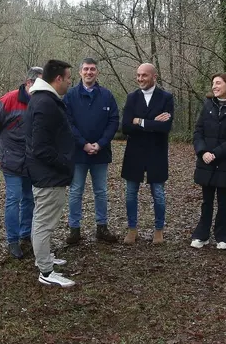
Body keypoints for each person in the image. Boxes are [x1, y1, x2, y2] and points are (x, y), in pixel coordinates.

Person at [25, 59, 76, 287]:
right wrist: (65, 163)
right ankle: (45, 271)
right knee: (44, 222)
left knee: (42, 219)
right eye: (68, 78)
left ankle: (44, 258)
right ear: (58, 79)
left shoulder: (44, 99)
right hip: (49, 175)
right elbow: (41, 147)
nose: (69, 82)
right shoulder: (45, 103)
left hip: (48, 173)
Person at [0, 67, 43, 259]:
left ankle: (25, 233)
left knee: (30, 198)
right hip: (11, 159)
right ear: (29, 83)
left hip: (32, 159)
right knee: (14, 198)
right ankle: (12, 240)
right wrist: (6, 147)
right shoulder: (8, 101)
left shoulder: (41, 101)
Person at [63, 58, 120, 245]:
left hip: (100, 153)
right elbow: (68, 123)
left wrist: (100, 143)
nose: (89, 72)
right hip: (78, 153)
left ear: (97, 72)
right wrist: (83, 144)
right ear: (80, 72)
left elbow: (113, 121)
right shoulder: (70, 96)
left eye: (92, 69)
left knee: (101, 191)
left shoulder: (106, 95)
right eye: (86, 69)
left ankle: (102, 227)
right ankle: (74, 230)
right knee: (75, 191)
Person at [191, 73, 226, 250]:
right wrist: (203, 151)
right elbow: (198, 131)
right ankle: (202, 235)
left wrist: (215, 154)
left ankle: (222, 237)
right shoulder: (208, 105)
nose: (214, 86)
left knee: (223, 201)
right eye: (213, 83)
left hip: (225, 163)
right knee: (206, 201)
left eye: (218, 83)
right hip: (206, 162)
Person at [120, 63, 174, 245]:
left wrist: (140, 121)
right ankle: (132, 229)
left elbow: (165, 127)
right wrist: (152, 123)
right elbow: (125, 127)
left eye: (144, 75)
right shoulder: (132, 97)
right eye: (138, 75)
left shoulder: (166, 98)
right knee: (130, 194)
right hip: (134, 153)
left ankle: (159, 230)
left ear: (154, 77)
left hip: (157, 153)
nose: (140, 79)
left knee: (158, 194)